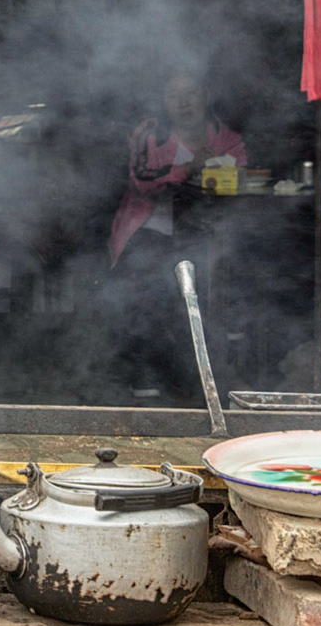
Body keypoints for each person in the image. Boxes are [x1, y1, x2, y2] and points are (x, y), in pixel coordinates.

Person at [98, 70, 247, 403]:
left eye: (191, 93)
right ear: (163, 102)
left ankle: (202, 385)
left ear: (205, 96)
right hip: (148, 230)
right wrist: (191, 168)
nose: (183, 103)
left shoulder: (226, 137)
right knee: (150, 296)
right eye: (173, 96)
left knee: (213, 299)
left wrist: (222, 176)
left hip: (207, 236)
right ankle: (145, 381)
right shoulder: (150, 134)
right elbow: (141, 180)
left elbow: (239, 181)